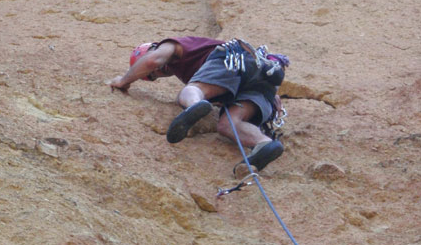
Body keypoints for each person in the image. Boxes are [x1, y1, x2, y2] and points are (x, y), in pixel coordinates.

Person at [109, 36, 289, 172]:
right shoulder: (193, 69)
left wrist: (124, 80)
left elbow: (151, 60)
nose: (157, 71)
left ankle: (194, 103)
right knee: (228, 124)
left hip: (232, 59)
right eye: (154, 76)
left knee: (191, 91)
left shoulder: (172, 45)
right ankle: (263, 143)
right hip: (263, 82)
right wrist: (272, 95)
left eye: (151, 72)